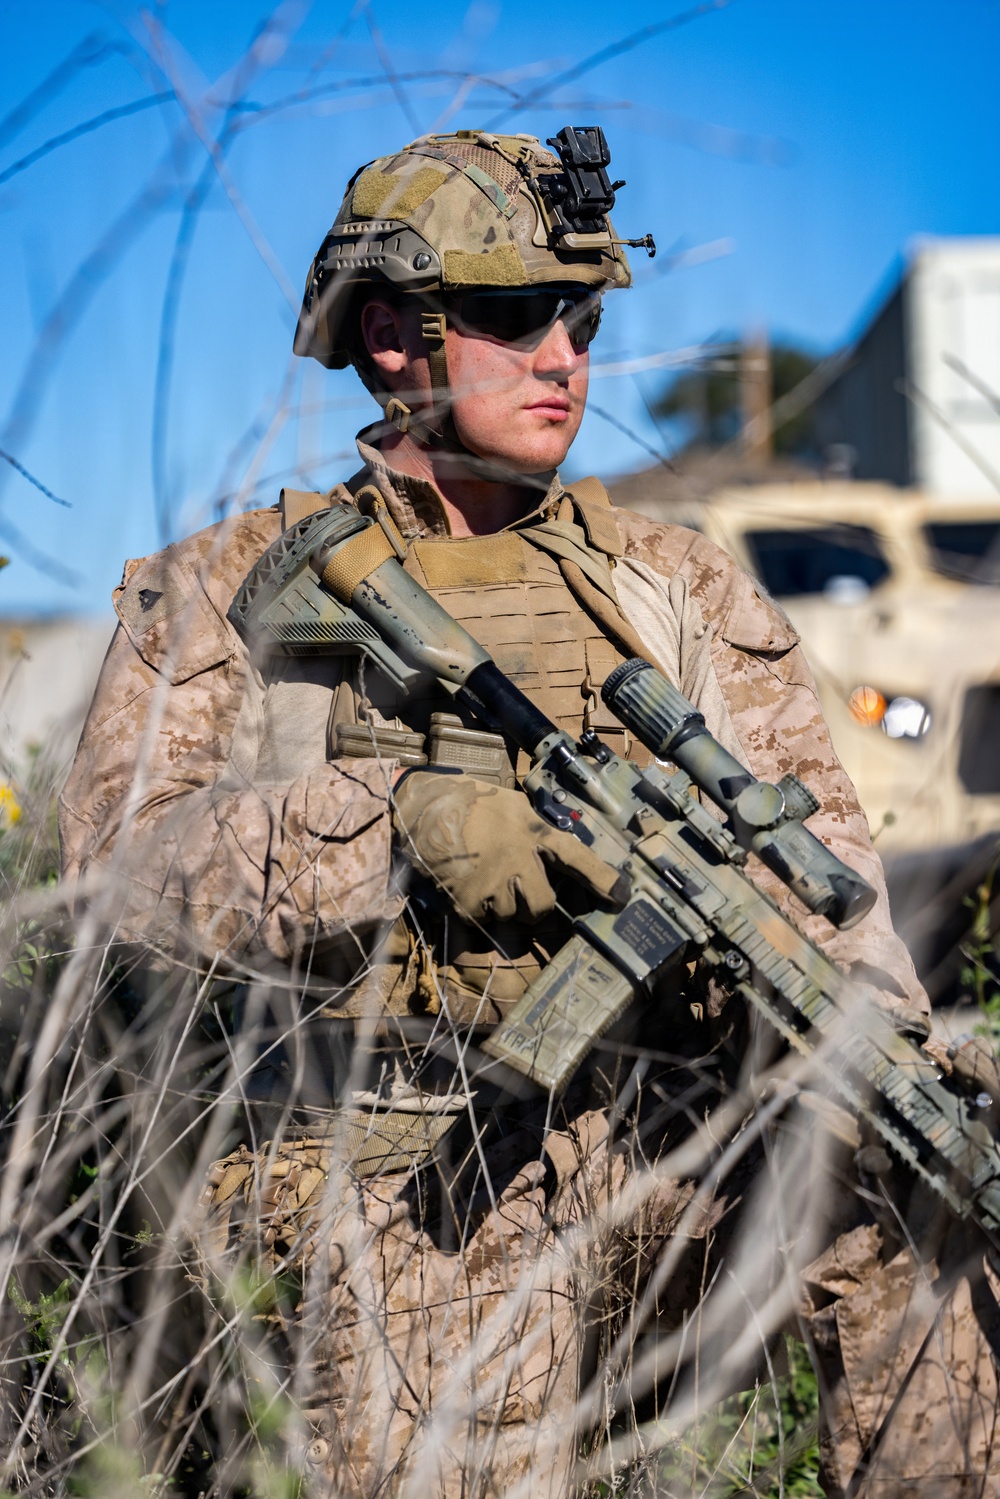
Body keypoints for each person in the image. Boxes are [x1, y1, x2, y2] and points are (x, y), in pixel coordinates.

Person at [60, 127, 1000, 1498]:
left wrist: (888, 1048)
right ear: (392, 336)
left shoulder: (675, 583)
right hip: (397, 1151)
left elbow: (828, 881)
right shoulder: (227, 589)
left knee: (917, 1187)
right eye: (517, 317)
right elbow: (118, 877)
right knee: (466, 1313)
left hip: (668, 1130)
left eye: (583, 318)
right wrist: (394, 826)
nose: (566, 357)